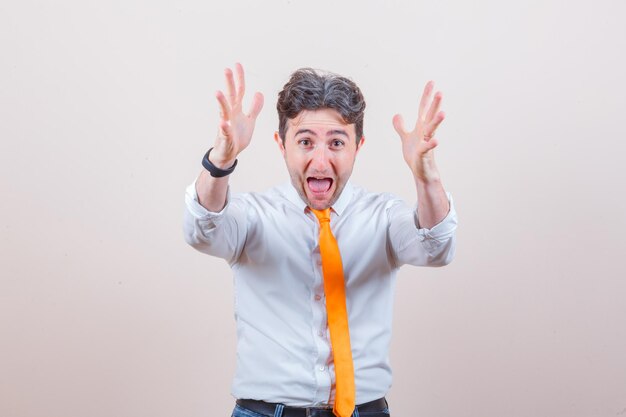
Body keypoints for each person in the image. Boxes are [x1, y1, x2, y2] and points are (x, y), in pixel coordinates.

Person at [183, 63, 457, 417]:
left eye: (337, 143)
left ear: (358, 146)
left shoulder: (384, 216)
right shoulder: (252, 216)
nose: (321, 159)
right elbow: (202, 228)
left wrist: (427, 178)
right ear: (282, 145)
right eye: (306, 142)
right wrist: (221, 160)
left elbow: (436, 247)